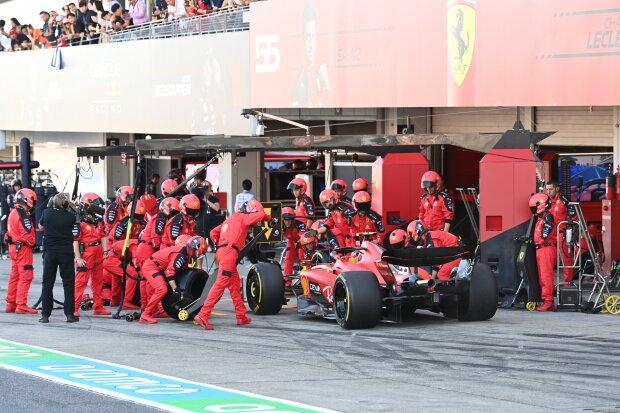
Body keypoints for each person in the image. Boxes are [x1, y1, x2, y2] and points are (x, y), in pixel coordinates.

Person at [194, 200, 273, 330]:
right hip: (229, 253)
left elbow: (213, 232)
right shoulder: (244, 217)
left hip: (222, 252)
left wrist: (220, 244)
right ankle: (203, 314)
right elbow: (259, 215)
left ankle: (241, 315)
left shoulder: (230, 219)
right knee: (220, 284)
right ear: (250, 210)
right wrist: (267, 217)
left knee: (234, 285)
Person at [140, 236, 206, 324]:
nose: (197, 256)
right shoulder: (181, 255)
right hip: (151, 267)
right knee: (162, 289)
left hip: (160, 268)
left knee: (161, 288)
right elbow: (169, 272)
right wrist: (175, 289)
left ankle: (154, 311)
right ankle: (145, 314)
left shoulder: (187, 253)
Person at [39, 193, 79, 323]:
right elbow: (76, 227)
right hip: (66, 252)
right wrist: (73, 206)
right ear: (66, 204)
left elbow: (41, 226)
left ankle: (45, 315)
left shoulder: (46, 213)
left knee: (47, 283)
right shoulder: (70, 216)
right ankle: (69, 314)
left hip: (50, 252)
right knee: (68, 284)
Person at [73, 192, 110, 317]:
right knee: (80, 282)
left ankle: (98, 306)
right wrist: (78, 258)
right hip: (86, 253)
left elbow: (103, 236)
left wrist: (105, 251)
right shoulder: (79, 221)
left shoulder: (98, 221)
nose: (99, 207)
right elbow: (75, 241)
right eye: (96, 204)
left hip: (98, 252)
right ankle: (75, 307)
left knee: (98, 281)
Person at [106, 200, 146, 307]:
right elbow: (115, 243)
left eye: (141, 216)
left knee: (117, 276)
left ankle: (115, 300)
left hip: (123, 255)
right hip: (113, 255)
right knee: (132, 273)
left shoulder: (142, 224)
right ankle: (126, 302)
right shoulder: (122, 225)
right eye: (137, 215)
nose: (139, 218)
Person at [4, 188, 37, 314]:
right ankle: (21, 304)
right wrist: (33, 243)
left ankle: (11, 303)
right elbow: (28, 236)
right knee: (26, 275)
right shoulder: (23, 214)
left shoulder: (12, 212)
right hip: (23, 249)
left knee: (15, 276)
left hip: (13, 248)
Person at [529, 193, 557, 312]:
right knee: (542, 277)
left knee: (546, 276)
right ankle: (546, 299)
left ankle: (548, 302)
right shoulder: (542, 219)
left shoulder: (548, 218)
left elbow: (544, 236)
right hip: (541, 249)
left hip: (546, 249)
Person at [545, 180, 576, 284]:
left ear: (557, 189)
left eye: (551, 189)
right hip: (550, 234)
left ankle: (568, 284)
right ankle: (549, 285)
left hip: (562, 233)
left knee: (567, 259)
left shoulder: (564, 200)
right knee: (547, 261)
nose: (548, 192)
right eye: (547, 189)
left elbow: (574, 215)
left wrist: (570, 229)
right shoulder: (547, 202)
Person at [281, 207, 306, 276]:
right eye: (285, 220)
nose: (287, 222)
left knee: (303, 257)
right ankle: (287, 278)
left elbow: (303, 238)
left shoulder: (300, 224)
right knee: (288, 256)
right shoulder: (279, 226)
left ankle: (303, 275)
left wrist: (298, 242)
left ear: (293, 219)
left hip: (302, 242)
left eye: (289, 220)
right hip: (291, 241)